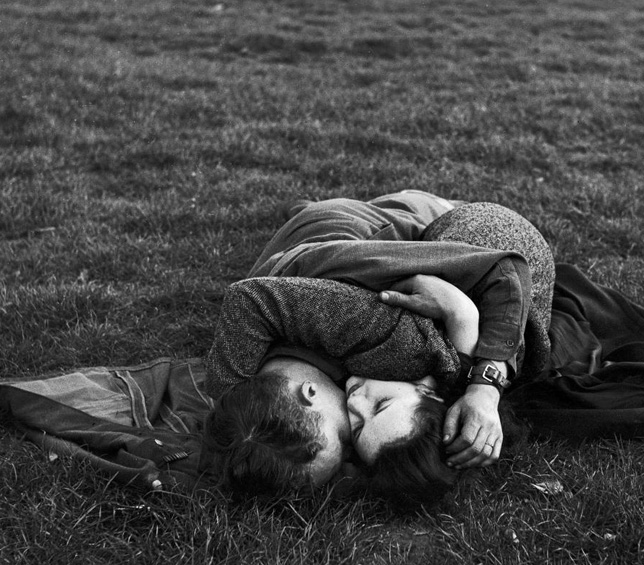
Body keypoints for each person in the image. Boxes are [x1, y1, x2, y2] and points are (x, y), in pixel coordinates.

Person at [202, 192, 556, 502]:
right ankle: (307, 210)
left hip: (372, 230)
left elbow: (501, 269)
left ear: (309, 392)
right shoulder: (259, 398)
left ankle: (416, 204)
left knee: (411, 213)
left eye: (346, 436)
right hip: (307, 245)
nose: (355, 401)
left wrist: (482, 384)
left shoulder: (381, 334)